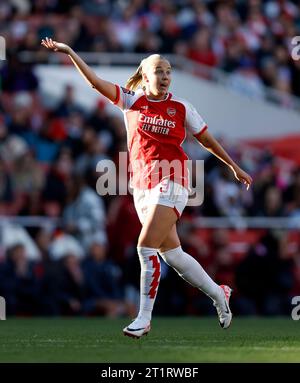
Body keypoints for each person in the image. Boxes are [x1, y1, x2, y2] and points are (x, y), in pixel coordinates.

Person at [41, 37, 253, 338]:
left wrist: (233, 165)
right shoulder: (131, 100)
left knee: (144, 246)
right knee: (173, 255)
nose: (165, 76)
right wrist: (70, 51)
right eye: (159, 70)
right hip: (142, 186)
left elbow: (206, 139)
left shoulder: (181, 107)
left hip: (175, 178)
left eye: (168, 71)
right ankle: (219, 294)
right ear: (145, 75)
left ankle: (143, 317)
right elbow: (94, 82)